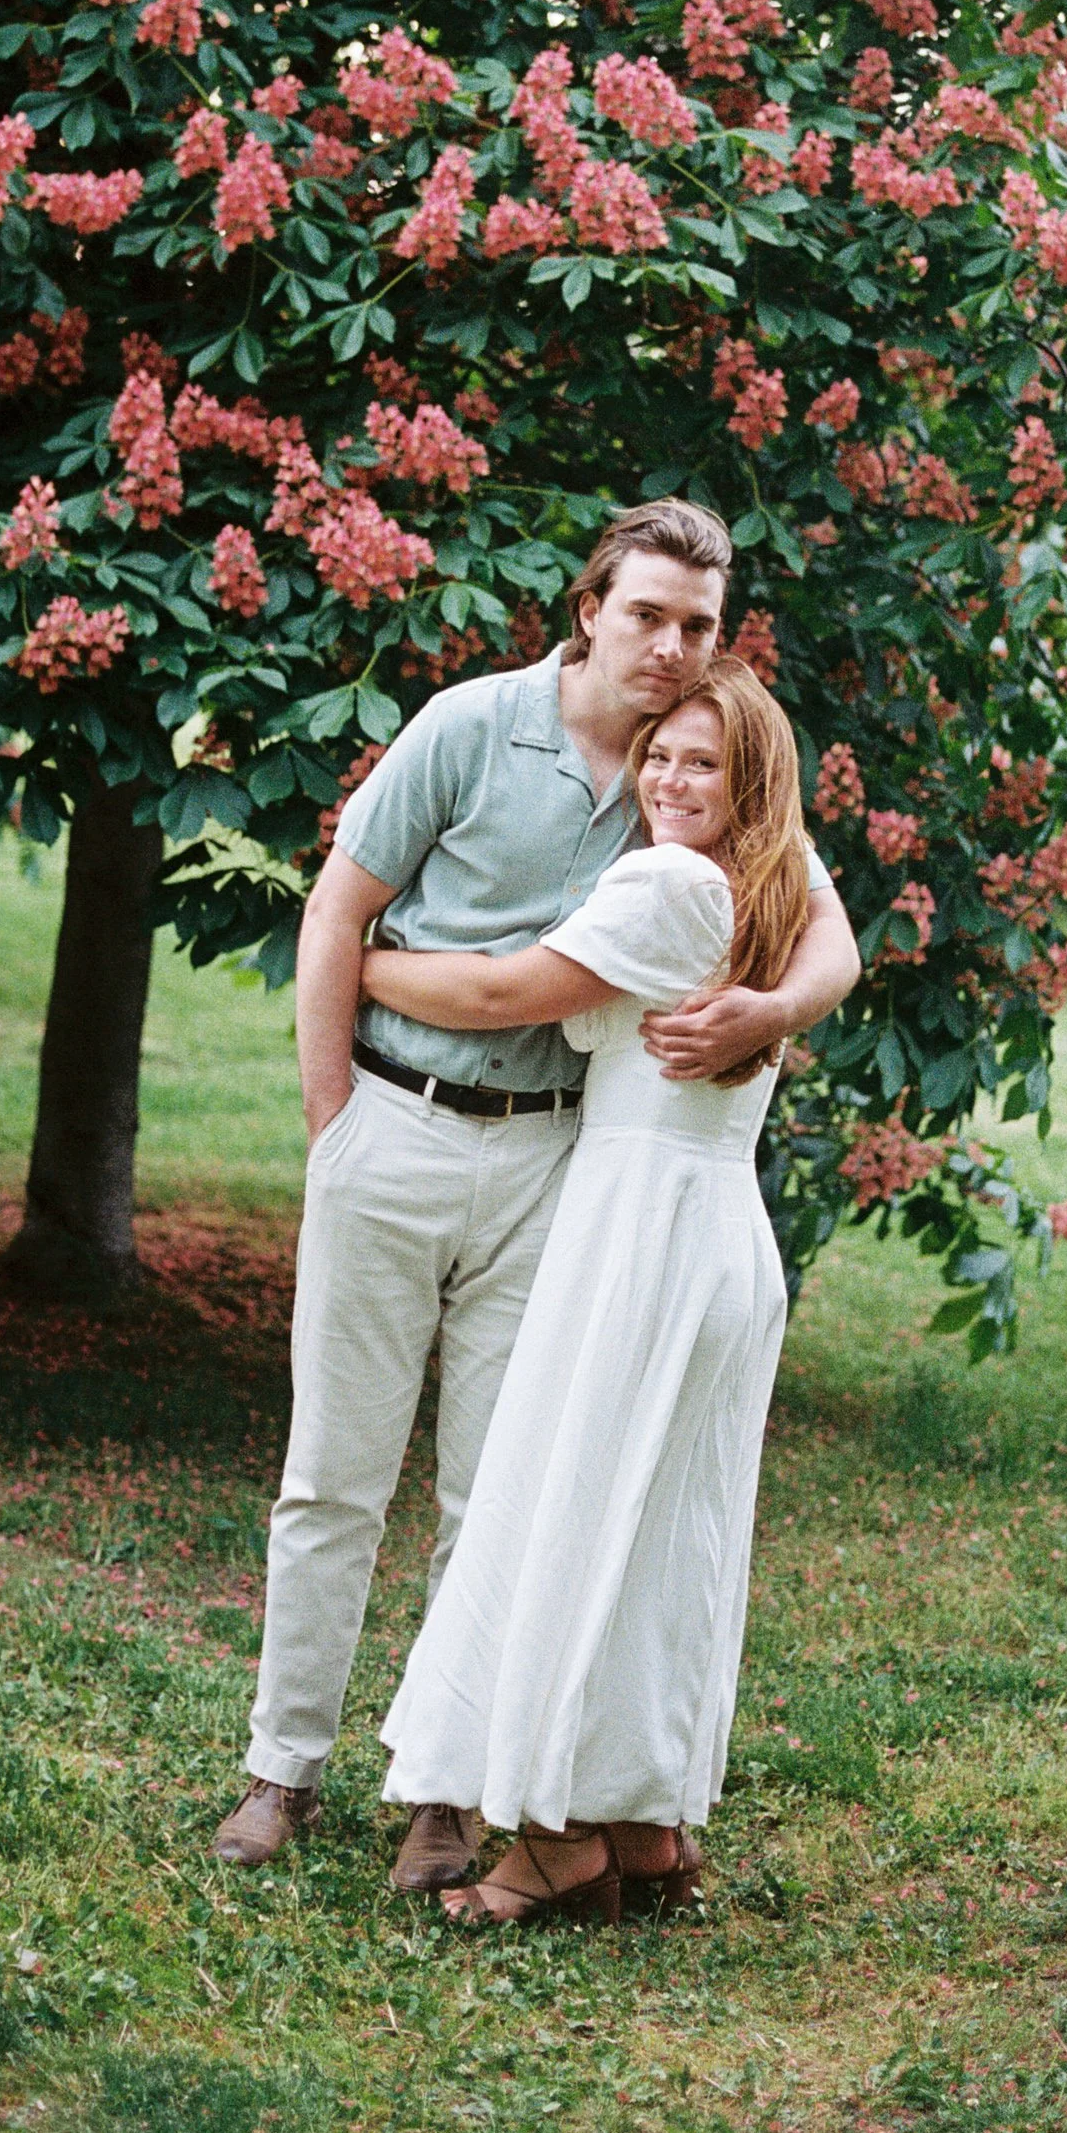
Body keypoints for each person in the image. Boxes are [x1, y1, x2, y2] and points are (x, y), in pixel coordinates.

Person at [214, 501, 860, 1892]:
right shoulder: (469, 725)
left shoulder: (703, 761)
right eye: (649, 615)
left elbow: (827, 928)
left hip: (559, 1163)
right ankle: (284, 1769)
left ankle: (449, 1792)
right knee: (333, 1475)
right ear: (591, 606)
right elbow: (339, 905)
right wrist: (335, 1122)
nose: (675, 646)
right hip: (395, 1124)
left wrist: (766, 1010)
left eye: (699, 622)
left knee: (495, 1488)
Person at [361, 657, 811, 1924]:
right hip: (714, 1227)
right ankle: (645, 1824)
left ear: (747, 782)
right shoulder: (770, 887)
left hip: (644, 1231)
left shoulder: (669, 879)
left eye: (699, 763)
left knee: (576, 1516)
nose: (667, 777)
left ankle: (556, 1839)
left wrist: (364, 956)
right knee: (659, 1536)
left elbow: (512, 993)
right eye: (657, 754)